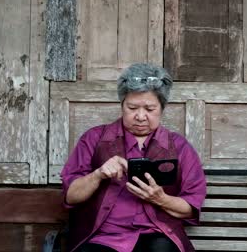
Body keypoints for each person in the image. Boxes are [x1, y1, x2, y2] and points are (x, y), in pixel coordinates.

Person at [60, 63, 207, 252]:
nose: (140, 116)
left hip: (157, 235)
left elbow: (190, 206)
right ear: (122, 105)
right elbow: (71, 197)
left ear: (162, 108)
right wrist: (98, 174)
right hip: (103, 237)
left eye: (149, 109)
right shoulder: (95, 139)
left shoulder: (179, 147)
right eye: (132, 107)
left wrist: (160, 198)